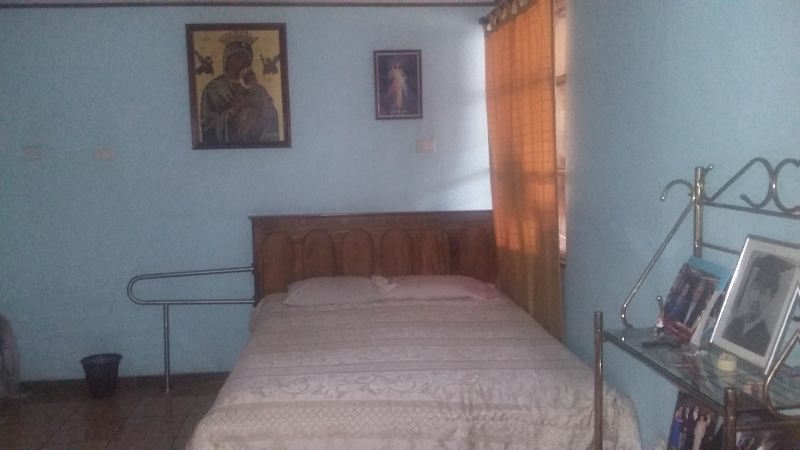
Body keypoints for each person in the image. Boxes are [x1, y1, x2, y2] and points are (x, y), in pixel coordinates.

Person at [200, 30, 279, 145]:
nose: (244, 62)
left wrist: (256, 100)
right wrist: (232, 112)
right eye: (238, 57)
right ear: (227, 61)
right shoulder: (213, 90)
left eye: (247, 59)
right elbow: (207, 127)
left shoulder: (258, 90)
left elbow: (272, 116)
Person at [722, 254, 792, 356]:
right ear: (749, 289)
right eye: (755, 288)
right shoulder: (734, 323)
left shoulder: (765, 338)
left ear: (771, 298)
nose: (757, 297)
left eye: (765, 293)